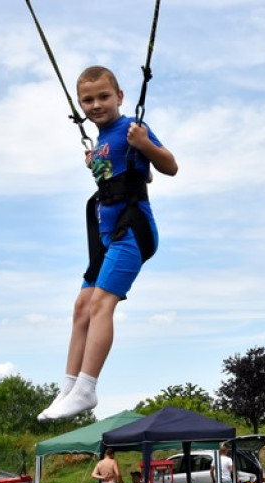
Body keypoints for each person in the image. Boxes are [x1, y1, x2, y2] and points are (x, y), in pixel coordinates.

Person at [39, 65, 178, 421]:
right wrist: (95, 162)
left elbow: (170, 166)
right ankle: (68, 386)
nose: (96, 104)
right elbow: (121, 168)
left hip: (133, 230)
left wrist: (144, 144)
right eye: (88, 100)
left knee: (101, 303)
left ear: (119, 97)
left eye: (103, 97)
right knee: (81, 306)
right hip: (105, 234)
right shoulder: (101, 141)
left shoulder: (132, 128)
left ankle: (87, 388)